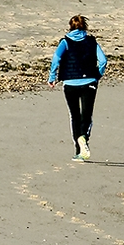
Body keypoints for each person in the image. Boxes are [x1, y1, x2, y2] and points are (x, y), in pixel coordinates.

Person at [48, 15, 107, 161]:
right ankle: (84, 138)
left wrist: (52, 77)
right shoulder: (91, 41)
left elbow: (56, 58)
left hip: (70, 83)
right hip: (89, 82)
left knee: (74, 115)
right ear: (84, 26)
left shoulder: (65, 42)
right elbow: (103, 61)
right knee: (86, 115)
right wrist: (97, 75)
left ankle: (78, 149)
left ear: (70, 27)